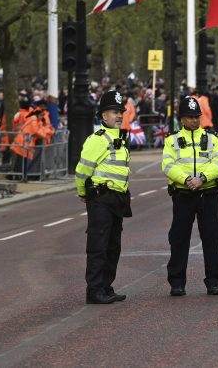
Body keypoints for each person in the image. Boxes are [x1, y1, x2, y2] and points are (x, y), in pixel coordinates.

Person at [163, 96, 218, 297]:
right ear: (181, 119)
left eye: (196, 117)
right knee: (179, 238)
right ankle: (177, 282)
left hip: (207, 193)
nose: (194, 120)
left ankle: (213, 282)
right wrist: (186, 179)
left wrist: (202, 178)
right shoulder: (171, 140)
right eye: (189, 117)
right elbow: (168, 165)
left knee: (212, 237)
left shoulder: (212, 138)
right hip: (183, 194)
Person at [75, 90, 132, 304]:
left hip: (117, 199)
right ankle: (95, 290)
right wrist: (83, 192)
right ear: (103, 116)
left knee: (113, 246)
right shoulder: (97, 140)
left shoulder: (120, 139)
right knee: (98, 246)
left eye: (120, 112)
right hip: (101, 198)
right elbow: (82, 170)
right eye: (114, 112)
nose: (118, 115)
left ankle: (106, 287)